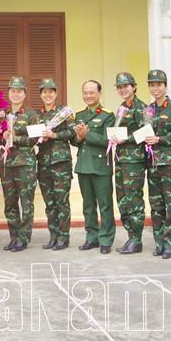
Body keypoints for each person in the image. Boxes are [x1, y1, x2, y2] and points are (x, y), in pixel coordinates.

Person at [144, 70, 171, 259]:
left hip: (170, 164)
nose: (155, 88)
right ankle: (159, 242)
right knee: (156, 205)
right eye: (152, 85)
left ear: (165, 86)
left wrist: (158, 139)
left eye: (159, 84)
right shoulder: (148, 110)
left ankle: (170, 244)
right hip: (153, 163)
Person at [71, 80, 116, 254]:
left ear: (99, 93)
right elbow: (74, 140)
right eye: (85, 92)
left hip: (100, 166)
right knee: (88, 205)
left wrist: (87, 135)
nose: (88, 96)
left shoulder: (108, 115)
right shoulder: (79, 115)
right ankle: (92, 237)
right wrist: (80, 138)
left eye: (92, 92)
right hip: (83, 165)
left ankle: (106, 239)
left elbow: (107, 140)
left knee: (105, 205)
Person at [0, 76, 39, 252]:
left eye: (19, 91)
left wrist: (16, 137)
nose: (15, 94)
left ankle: (23, 238)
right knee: (10, 202)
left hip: (25, 164)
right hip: (7, 163)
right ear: (9, 93)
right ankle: (14, 237)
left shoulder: (31, 114)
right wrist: (3, 137)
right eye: (13, 91)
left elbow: (35, 138)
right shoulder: (2, 114)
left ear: (24, 94)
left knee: (26, 202)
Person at [109, 72, 147, 254]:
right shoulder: (122, 108)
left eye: (126, 86)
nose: (123, 89)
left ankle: (137, 239)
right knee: (123, 200)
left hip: (134, 161)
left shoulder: (142, 108)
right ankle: (130, 235)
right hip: (121, 159)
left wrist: (127, 139)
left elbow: (146, 132)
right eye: (120, 87)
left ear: (134, 87)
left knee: (134, 200)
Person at [35, 78, 74, 251]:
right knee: (49, 203)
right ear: (41, 94)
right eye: (45, 92)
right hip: (43, 164)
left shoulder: (64, 112)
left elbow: (72, 132)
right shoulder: (37, 115)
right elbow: (32, 135)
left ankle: (63, 238)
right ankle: (53, 236)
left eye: (51, 91)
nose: (48, 94)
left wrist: (55, 136)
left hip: (60, 164)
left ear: (56, 93)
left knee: (61, 202)